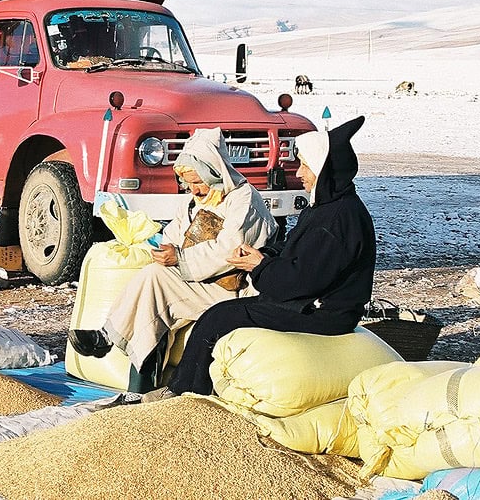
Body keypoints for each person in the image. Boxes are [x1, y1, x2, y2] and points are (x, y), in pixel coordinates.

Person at [143, 116, 376, 401]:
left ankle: (187, 395)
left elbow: (301, 280)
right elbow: (294, 252)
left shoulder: (338, 220)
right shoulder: (327, 208)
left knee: (219, 318)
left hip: (322, 313)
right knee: (217, 315)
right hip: (310, 303)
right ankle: (183, 389)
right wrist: (265, 255)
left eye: (305, 165)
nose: (299, 173)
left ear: (323, 169)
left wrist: (260, 266)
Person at [68, 127, 278, 392]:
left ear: (214, 173)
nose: (194, 189)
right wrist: (164, 249)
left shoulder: (243, 199)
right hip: (199, 281)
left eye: (198, 182)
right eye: (189, 183)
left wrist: (179, 257)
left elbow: (231, 249)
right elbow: (175, 233)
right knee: (152, 289)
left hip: (231, 289)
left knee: (156, 280)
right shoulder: (194, 201)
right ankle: (137, 386)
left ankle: (110, 339)